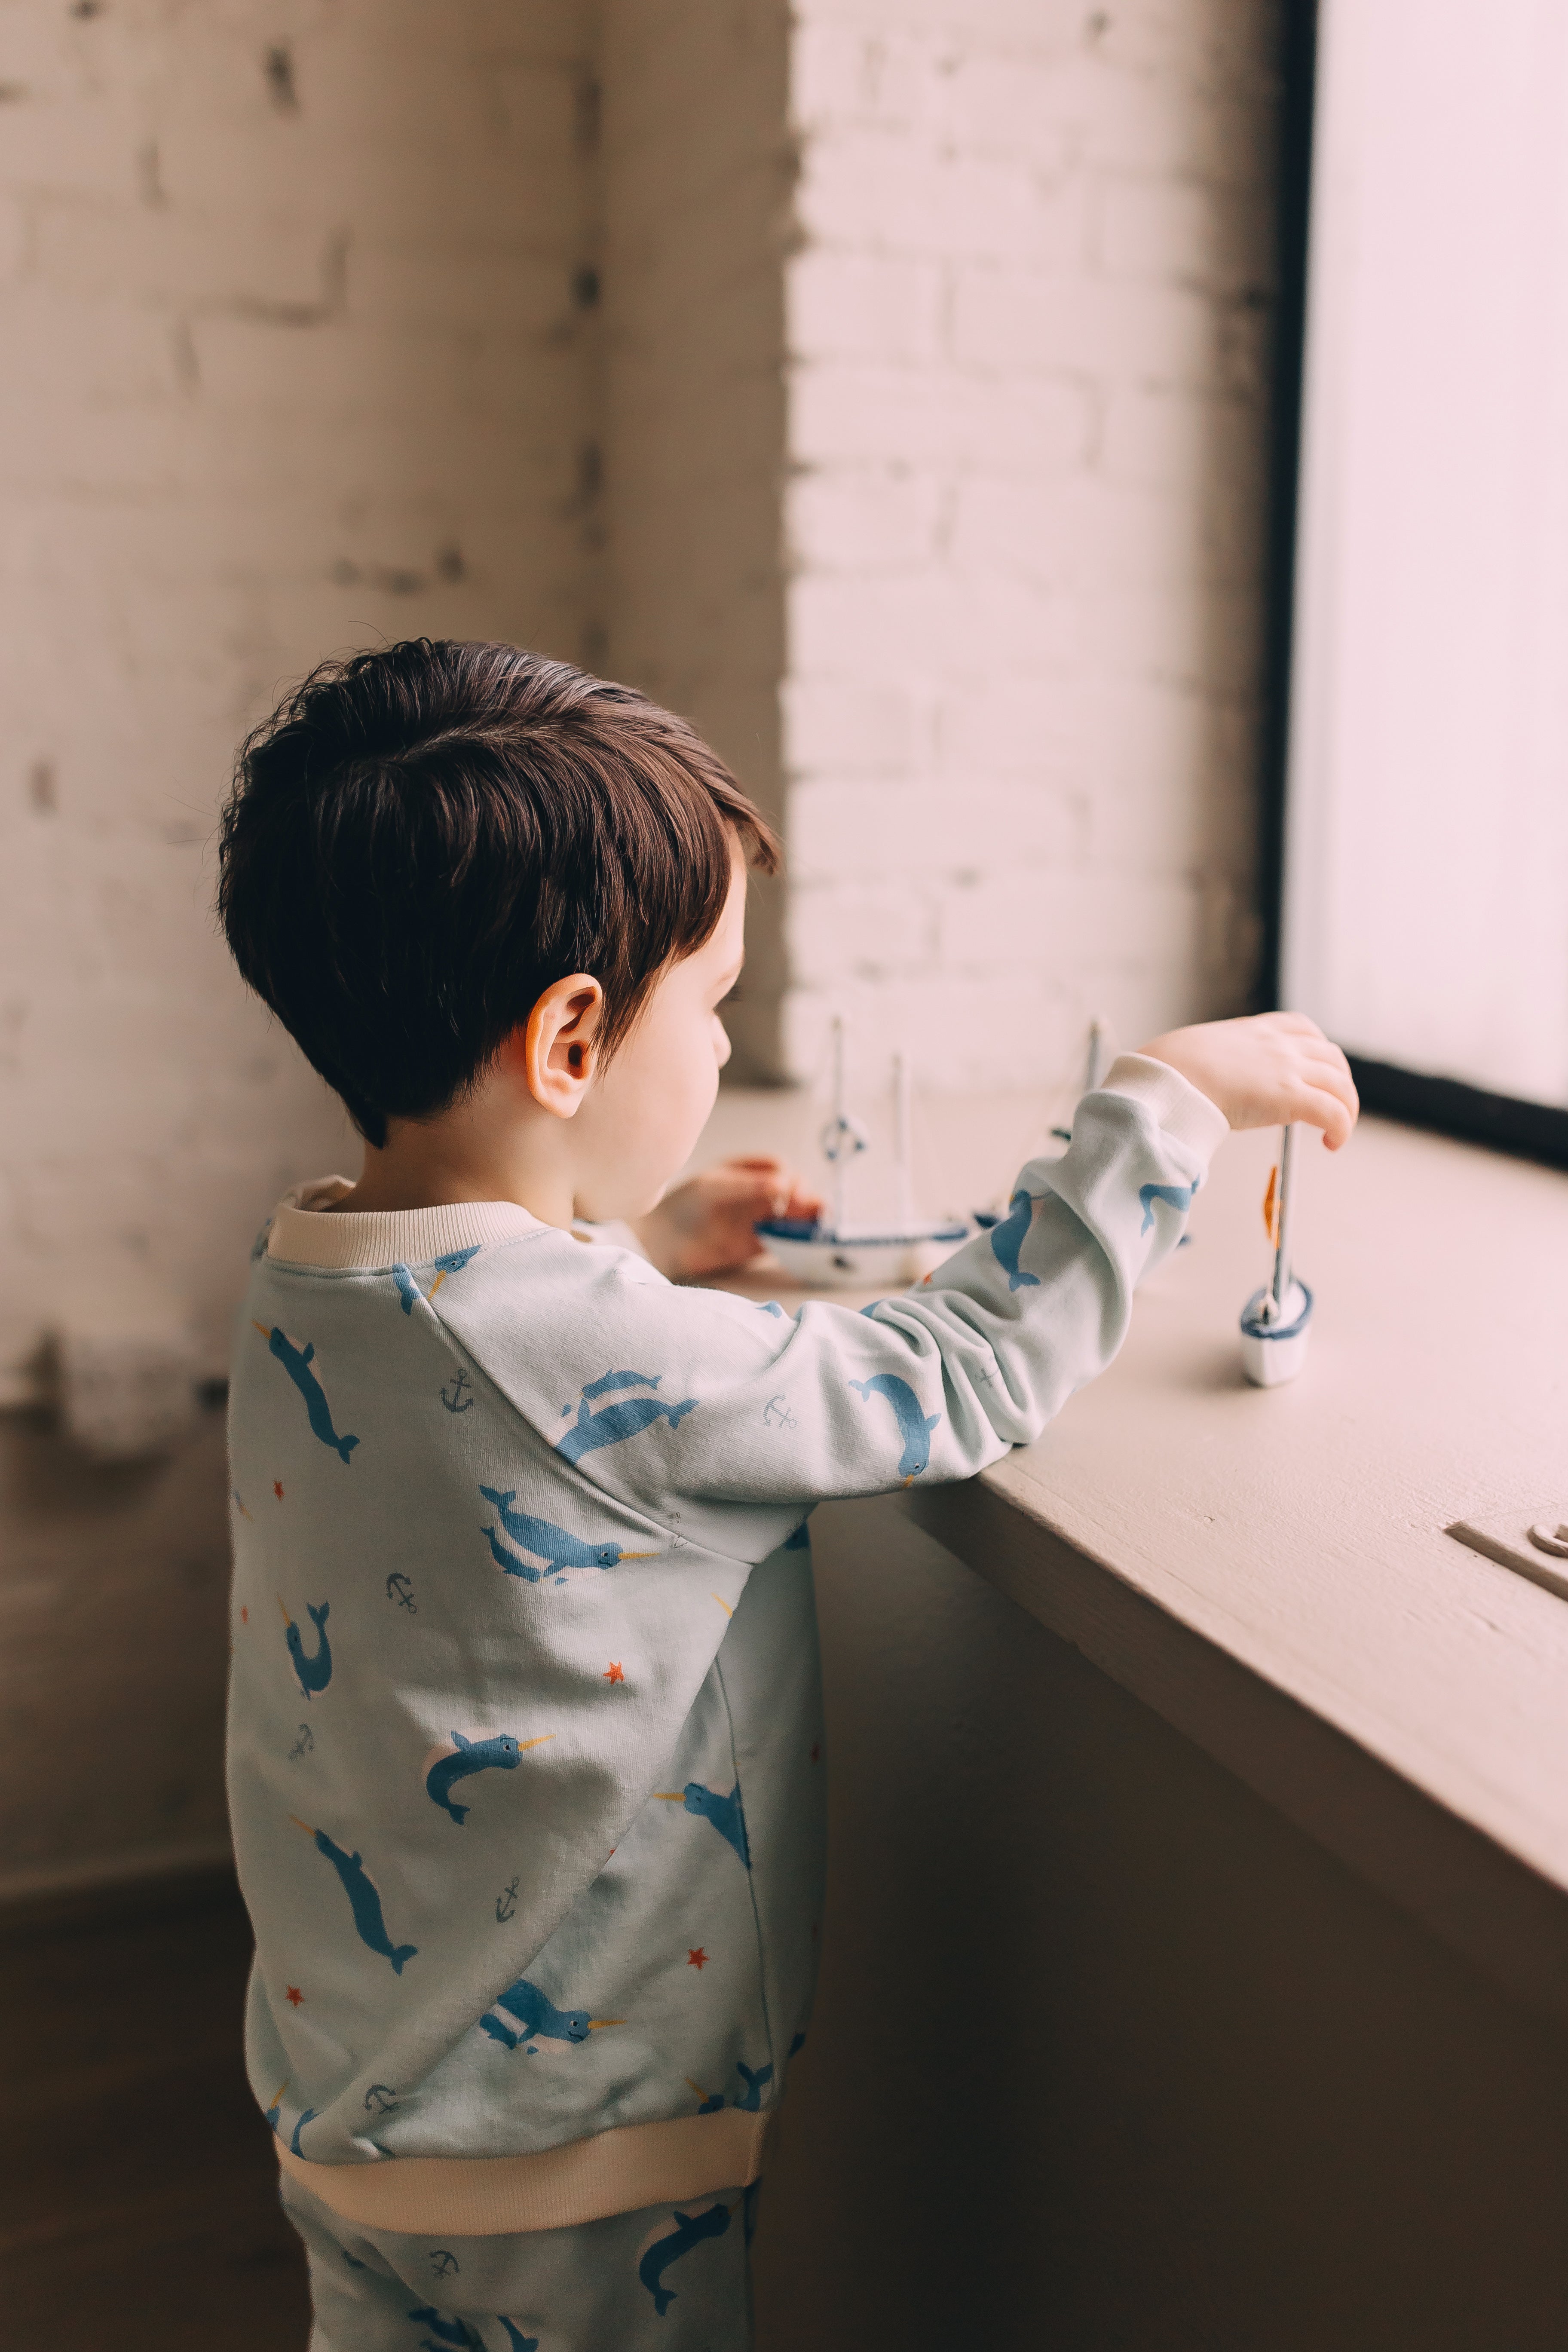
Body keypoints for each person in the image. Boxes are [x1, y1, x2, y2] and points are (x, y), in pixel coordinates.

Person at [217, 639, 1358, 2352]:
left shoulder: (311, 1278)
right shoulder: (606, 1360)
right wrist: (1167, 1102)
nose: (732, 1036)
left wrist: (640, 1253)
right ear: (573, 1038)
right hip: (573, 2165)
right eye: (721, 1001)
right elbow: (968, 1367)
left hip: (350, 2114)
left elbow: (505, 1381)